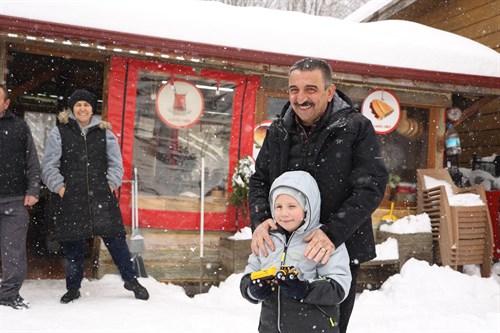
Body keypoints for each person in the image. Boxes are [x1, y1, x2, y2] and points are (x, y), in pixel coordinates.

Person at [249, 58, 388, 333]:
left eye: (311, 89)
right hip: (287, 248)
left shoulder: (357, 127)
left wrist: (332, 233)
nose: (301, 98)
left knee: (327, 325)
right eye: (294, 90)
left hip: (338, 248)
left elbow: (370, 186)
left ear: (329, 91)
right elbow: (260, 181)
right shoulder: (277, 130)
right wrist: (261, 219)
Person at [42, 89, 149, 303]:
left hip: (101, 196)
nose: (82, 108)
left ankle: (131, 280)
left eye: (87, 105)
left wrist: (110, 185)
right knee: (73, 244)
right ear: (72, 108)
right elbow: (49, 165)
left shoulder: (105, 132)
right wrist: (61, 188)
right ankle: (73, 288)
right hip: (71, 197)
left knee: (116, 239)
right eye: (78, 105)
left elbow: (116, 164)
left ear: (93, 109)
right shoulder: (59, 132)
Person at [241, 170, 351, 332]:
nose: (284, 213)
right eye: (278, 206)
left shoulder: (322, 240)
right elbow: (248, 276)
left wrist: (305, 289)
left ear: (307, 207)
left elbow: (338, 288)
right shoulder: (268, 238)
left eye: (292, 206)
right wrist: (252, 289)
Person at [0, 84, 41, 309]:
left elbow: (32, 161)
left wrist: (33, 189)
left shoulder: (19, 128)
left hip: (13, 200)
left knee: (13, 250)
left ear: (6, 104)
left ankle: (8, 294)